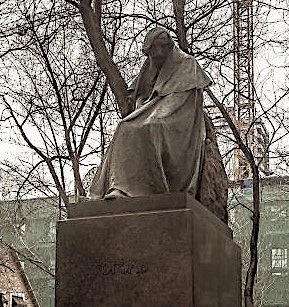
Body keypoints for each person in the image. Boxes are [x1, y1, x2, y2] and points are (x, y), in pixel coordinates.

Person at [89, 28, 212, 199]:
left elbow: (185, 101)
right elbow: (139, 94)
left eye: (163, 47)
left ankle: (150, 189)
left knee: (151, 127)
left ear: (170, 46)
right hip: (152, 112)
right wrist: (142, 105)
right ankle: (119, 187)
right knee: (125, 126)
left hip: (179, 121)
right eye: (155, 48)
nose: (159, 52)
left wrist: (155, 114)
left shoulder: (187, 64)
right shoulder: (150, 66)